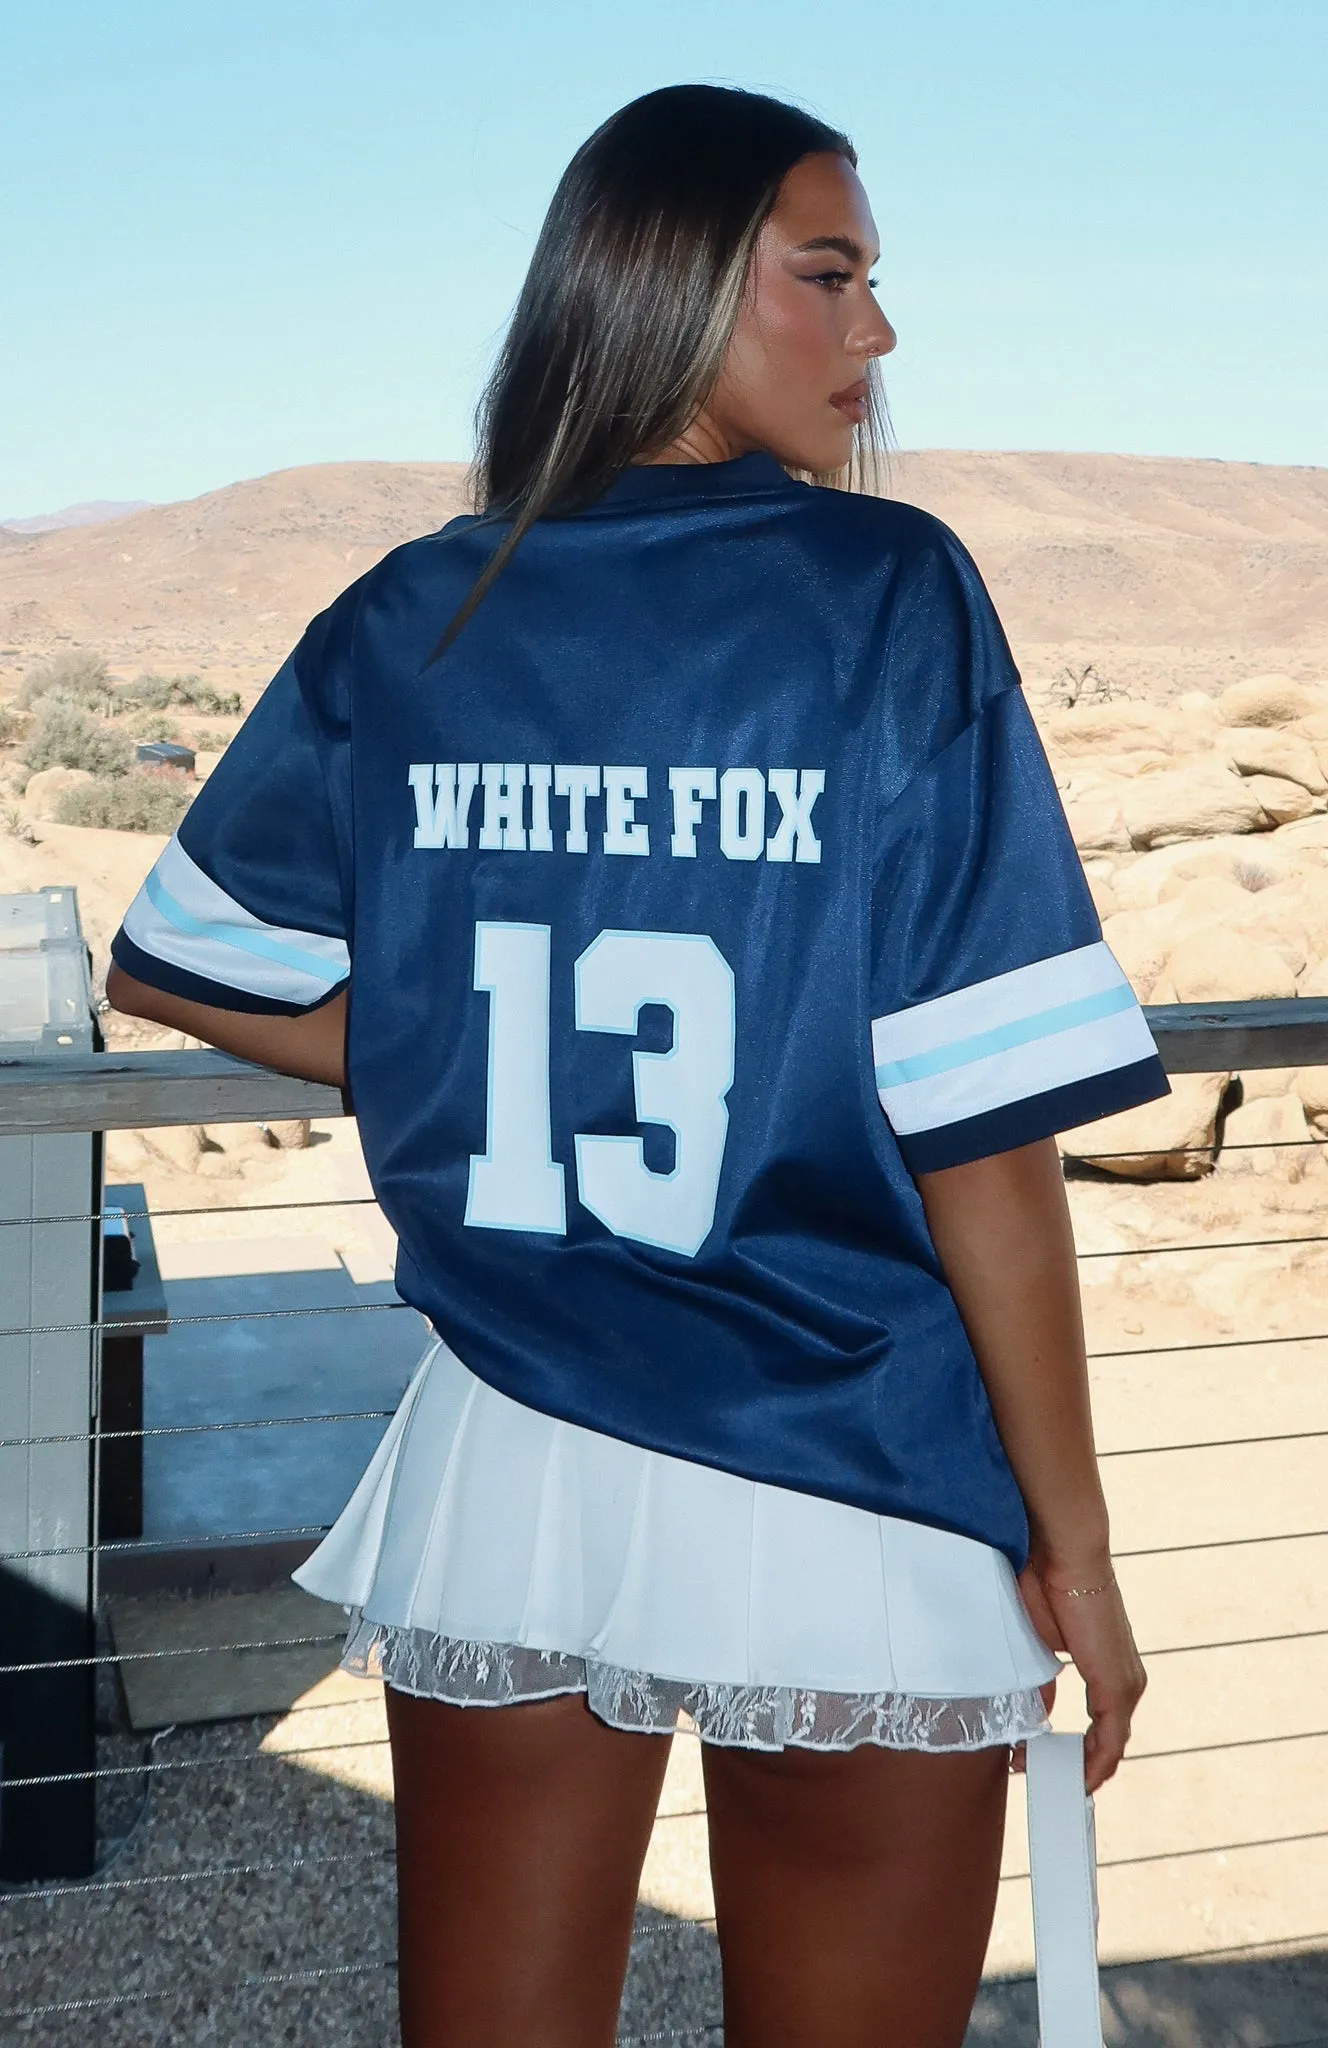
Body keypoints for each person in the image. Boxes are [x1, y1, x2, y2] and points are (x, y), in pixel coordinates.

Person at [108, 82, 1159, 2048]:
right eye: (829, 274)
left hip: (511, 1457)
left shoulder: (426, 602)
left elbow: (186, 959)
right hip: (849, 1456)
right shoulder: (887, 593)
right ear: (672, 282)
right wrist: (1076, 1552)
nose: (877, 329)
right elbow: (981, 1135)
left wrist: (443, 1052)